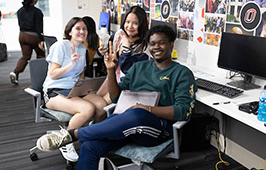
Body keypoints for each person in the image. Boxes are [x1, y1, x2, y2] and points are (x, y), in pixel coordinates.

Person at [36, 24, 198, 170]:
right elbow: (115, 98)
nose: (156, 47)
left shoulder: (182, 73)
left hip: (156, 129)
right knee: (90, 146)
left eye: (161, 43)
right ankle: (81, 135)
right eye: (153, 44)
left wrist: (147, 109)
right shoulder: (139, 67)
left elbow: (184, 111)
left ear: (171, 44)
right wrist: (111, 71)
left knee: (137, 114)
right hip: (125, 123)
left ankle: (73, 135)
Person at [41, 17, 106, 162]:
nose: (82, 31)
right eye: (78, 28)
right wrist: (71, 64)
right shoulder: (60, 46)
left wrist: (82, 84)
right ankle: (66, 142)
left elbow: (81, 72)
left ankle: (89, 136)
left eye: (84, 29)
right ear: (70, 31)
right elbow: (53, 74)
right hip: (54, 91)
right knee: (87, 109)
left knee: (102, 106)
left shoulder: (83, 48)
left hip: (74, 89)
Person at [95, 5, 149, 108]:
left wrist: (126, 49)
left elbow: (128, 69)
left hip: (126, 83)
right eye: (127, 22)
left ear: (141, 25)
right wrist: (102, 50)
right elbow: (107, 48)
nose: (130, 26)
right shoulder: (119, 35)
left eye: (135, 23)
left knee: (102, 107)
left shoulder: (144, 46)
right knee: (97, 98)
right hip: (113, 76)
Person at [9, 0, 45, 85]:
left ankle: (15, 72)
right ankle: (40, 76)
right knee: (41, 55)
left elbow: (20, 24)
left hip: (22, 35)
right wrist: (42, 40)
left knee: (25, 57)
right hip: (33, 36)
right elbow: (39, 28)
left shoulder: (20, 11)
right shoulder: (37, 12)